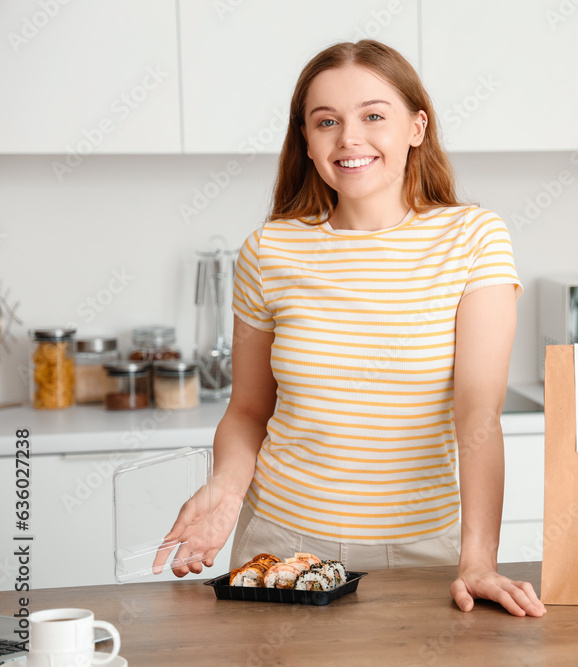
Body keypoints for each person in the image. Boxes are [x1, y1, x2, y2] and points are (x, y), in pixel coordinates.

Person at [151, 40, 545, 618]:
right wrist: (228, 489)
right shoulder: (269, 250)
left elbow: (478, 415)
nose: (349, 138)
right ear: (306, 142)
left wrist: (479, 558)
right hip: (282, 544)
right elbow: (248, 410)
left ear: (416, 126)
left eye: (373, 116)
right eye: (327, 121)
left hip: (419, 550)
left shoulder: (473, 238)